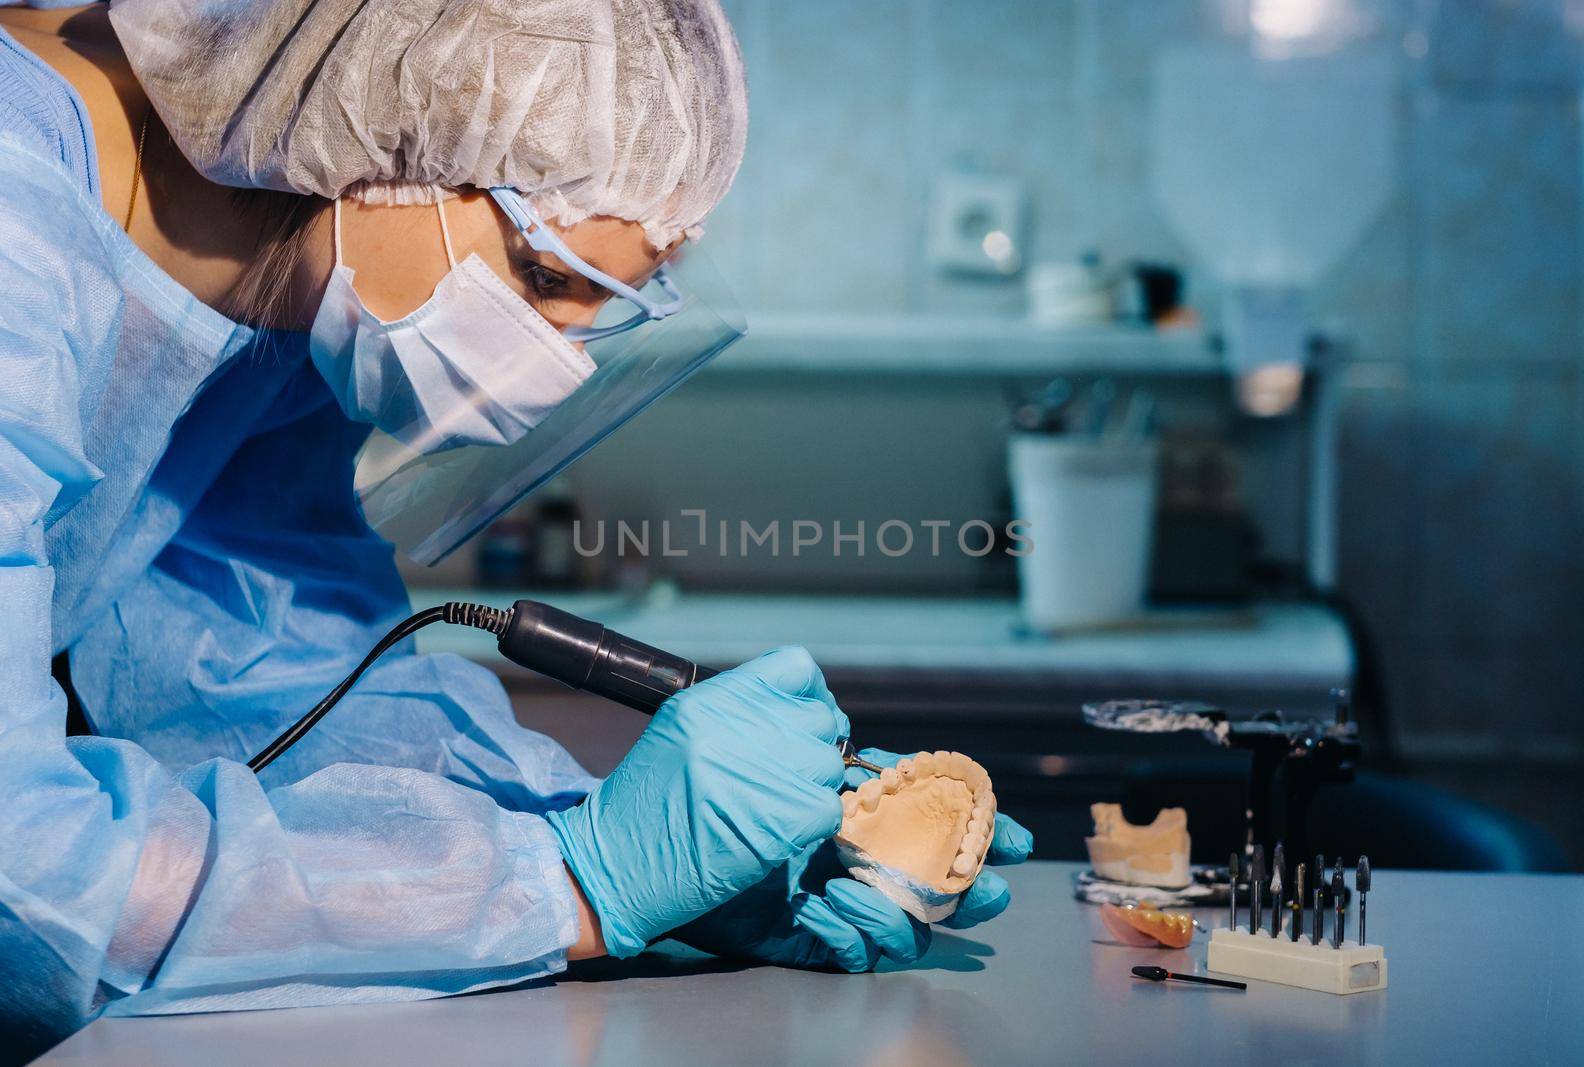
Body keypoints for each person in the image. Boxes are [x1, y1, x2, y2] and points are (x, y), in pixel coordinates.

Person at [0, 1, 1033, 1057]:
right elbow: (24, 879)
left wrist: (642, 855)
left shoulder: (280, 280)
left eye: (599, 307)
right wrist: (575, 883)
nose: (556, 362)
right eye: (544, 278)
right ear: (382, 117)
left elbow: (267, 683)